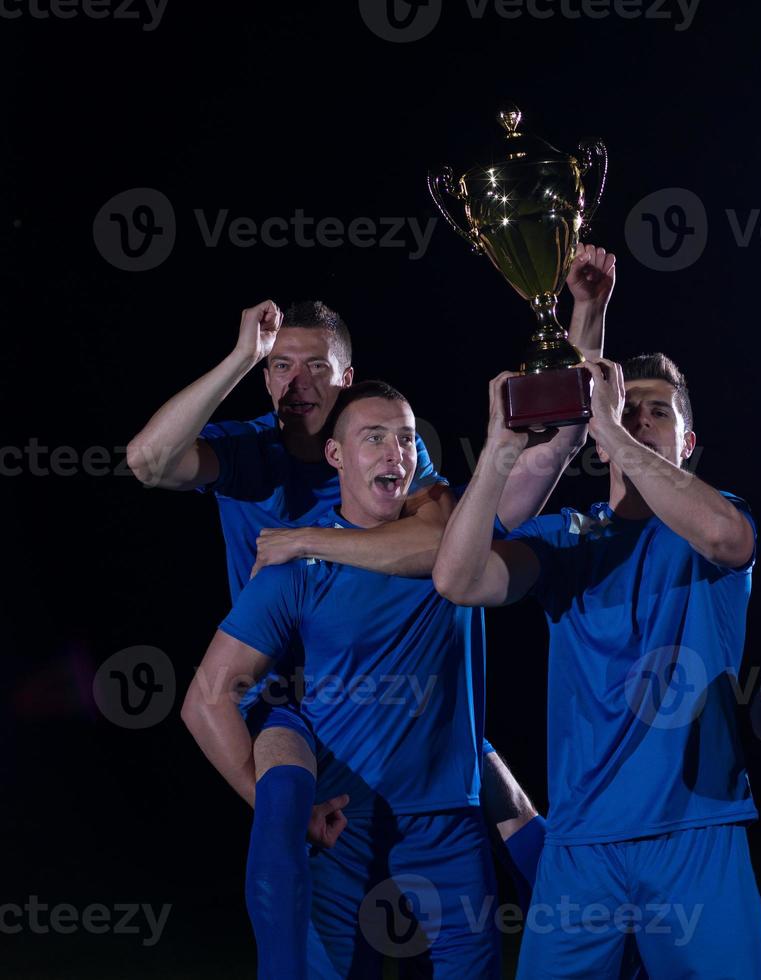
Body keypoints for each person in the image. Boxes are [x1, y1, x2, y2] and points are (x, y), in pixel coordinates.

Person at [130, 245, 616, 972]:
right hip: (289, 695)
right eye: (280, 366)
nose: (296, 382)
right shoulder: (253, 460)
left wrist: (302, 539)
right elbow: (148, 461)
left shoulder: (396, 476)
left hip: (407, 730)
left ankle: (604, 948)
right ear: (336, 457)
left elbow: (493, 506)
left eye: (316, 366)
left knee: (495, 788)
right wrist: (240, 357)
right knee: (286, 793)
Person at [434, 354, 761, 978]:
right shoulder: (568, 537)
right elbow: (457, 578)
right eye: (626, 405)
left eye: (657, 411)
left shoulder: (713, 522)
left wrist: (613, 430)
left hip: (694, 833)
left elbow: (730, 540)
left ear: (688, 443)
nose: (638, 417)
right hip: (580, 844)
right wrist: (500, 449)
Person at [183, 381, 504, 977]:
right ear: (335, 457)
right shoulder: (294, 572)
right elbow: (206, 699)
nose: (395, 453)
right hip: (342, 825)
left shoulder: (451, 541)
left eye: (406, 439)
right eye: (374, 438)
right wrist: (279, 809)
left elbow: (538, 467)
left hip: (448, 827)